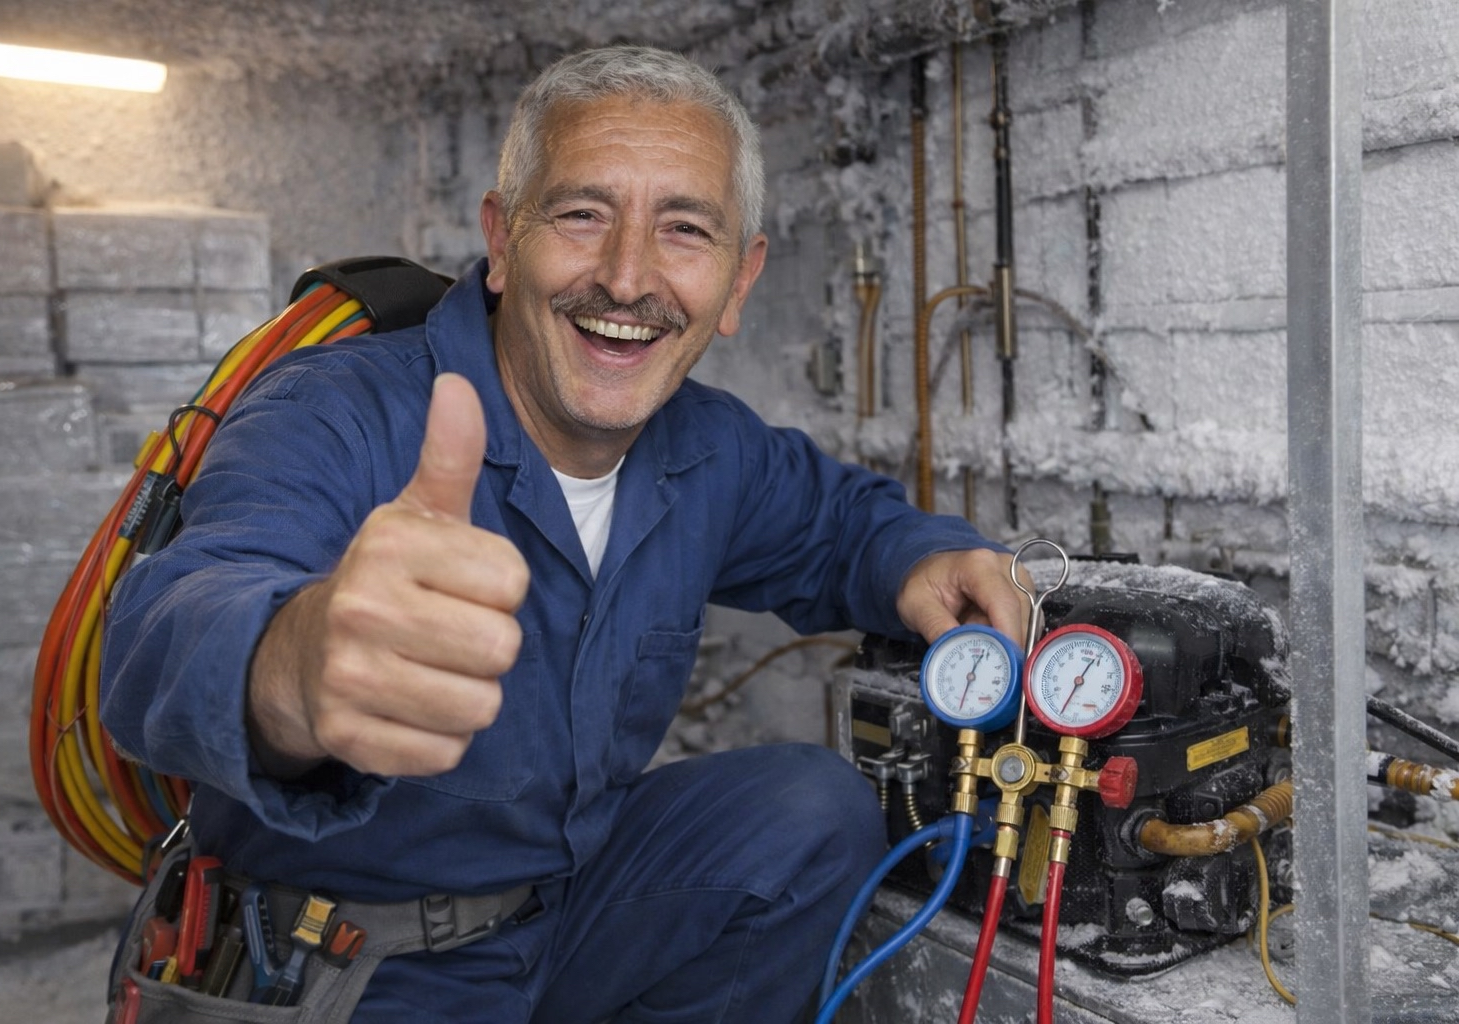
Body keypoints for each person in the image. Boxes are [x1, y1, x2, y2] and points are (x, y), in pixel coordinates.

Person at [102, 44, 1026, 1023]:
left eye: (684, 229)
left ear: (739, 280)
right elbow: (169, 622)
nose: (627, 278)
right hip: (348, 963)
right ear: (503, 240)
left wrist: (921, 558)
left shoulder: (708, 447)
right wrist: (295, 662)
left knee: (808, 811)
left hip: (561, 918)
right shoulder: (336, 410)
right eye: (583, 214)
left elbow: (837, 524)